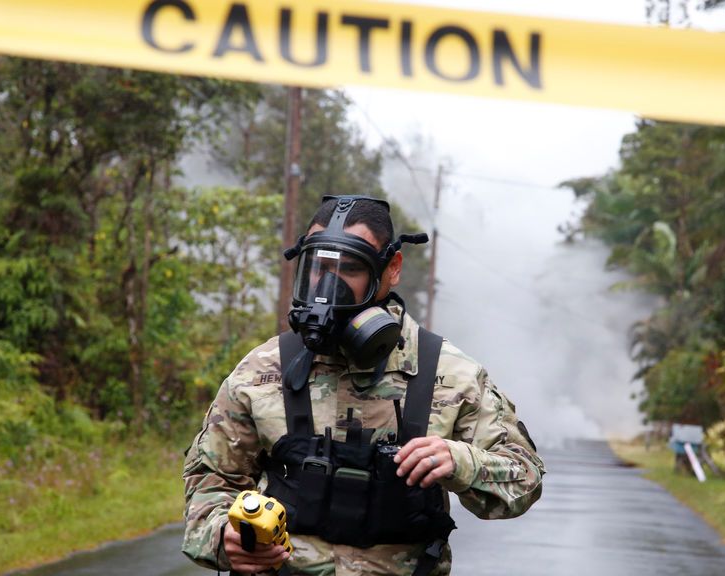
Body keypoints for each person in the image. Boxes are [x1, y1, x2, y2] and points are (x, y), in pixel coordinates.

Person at [182, 195, 545, 576]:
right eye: (318, 267)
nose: (328, 285)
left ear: (392, 268)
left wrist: (460, 462)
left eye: (350, 268)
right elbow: (211, 478)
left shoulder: (449, 374)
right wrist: (222, 536)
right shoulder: (261, 370)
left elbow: (525, 478)